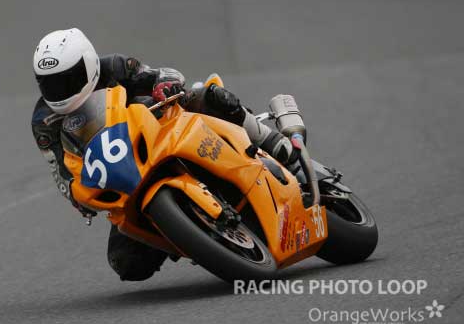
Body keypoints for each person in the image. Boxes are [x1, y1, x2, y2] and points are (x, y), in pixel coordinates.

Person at [31, 28, 298, 281]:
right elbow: (59, 169)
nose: (60, 90)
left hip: (162, 127)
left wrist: (165, 84)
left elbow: (164, 75)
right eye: (50, 84)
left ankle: (268, 139)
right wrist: (75, 195)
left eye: (67, 80)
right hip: (124, 173)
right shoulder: (43, 121)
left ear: (88, 64)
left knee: (207, 96)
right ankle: (187, 232)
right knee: (127, 262)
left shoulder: (115, 66)